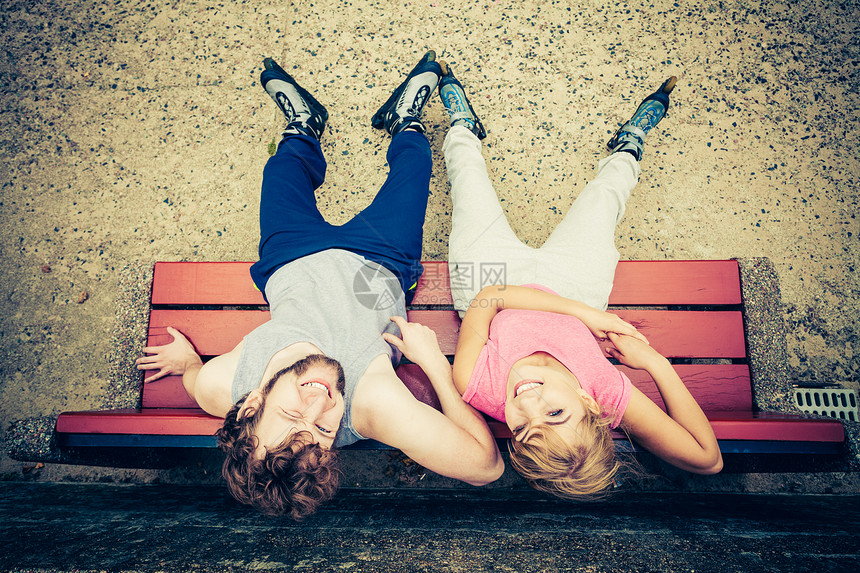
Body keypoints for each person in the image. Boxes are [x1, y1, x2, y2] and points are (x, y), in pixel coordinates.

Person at [136, 51, 503, 519]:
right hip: (379, 261)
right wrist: (433, 363)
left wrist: (188, 361)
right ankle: (404, 121)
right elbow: (486, 468)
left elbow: (195, 381)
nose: (320, 404)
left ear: (251, 407)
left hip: (291, 257)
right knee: (413, 169)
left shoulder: (220, 385)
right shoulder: (370, 406)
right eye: (324, 433)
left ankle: (305, 127)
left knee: (281, 171)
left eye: (291, 416)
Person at [434, 66, 723, 499]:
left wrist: (585, 315)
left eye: (522, 428)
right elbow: (708, 460)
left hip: (492, 282)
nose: (527, 403)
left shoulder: (476, 384)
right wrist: (655, 364)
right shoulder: (605, 392)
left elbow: (490, 297)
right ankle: (629, 145)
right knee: (603, 201)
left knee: (470, 186)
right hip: (572, 286)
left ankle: (463, 127)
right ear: (591, 408)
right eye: (554, 413)